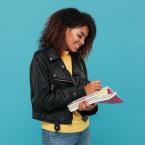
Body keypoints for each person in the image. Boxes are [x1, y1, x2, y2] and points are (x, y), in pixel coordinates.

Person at [30, 8, 102, 145]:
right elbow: (43, 101)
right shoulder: (41, 58)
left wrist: (91, 106)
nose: (82, 42)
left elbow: (83, 96)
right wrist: (83, 90)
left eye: (85, 38)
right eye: (80, 35)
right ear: (65, 29)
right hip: (58, 135)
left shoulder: (78, 60)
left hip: (84, 131)